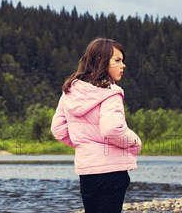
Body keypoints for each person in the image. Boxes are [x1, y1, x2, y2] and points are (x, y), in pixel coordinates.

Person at [50, 37, 141, 213]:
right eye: (117, 60)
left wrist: (85, 143)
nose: (123, 66)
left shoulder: (70, 91)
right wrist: (135, 142)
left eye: (123, 61)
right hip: (112, 171)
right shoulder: (111, 93)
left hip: (87, 170)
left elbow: (58, 129)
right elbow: (111, 129)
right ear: (101, 61)